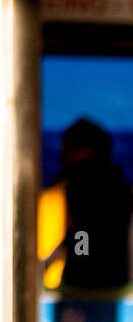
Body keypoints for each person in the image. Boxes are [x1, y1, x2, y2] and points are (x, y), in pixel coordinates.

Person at [40, 118, 133, 290]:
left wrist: (79, 280)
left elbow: (82, 233)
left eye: (67, 149)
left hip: (84, 290)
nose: (62, 156)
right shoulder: (121, 186)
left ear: (84, 151)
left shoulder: (79, 186)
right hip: (120, 285)